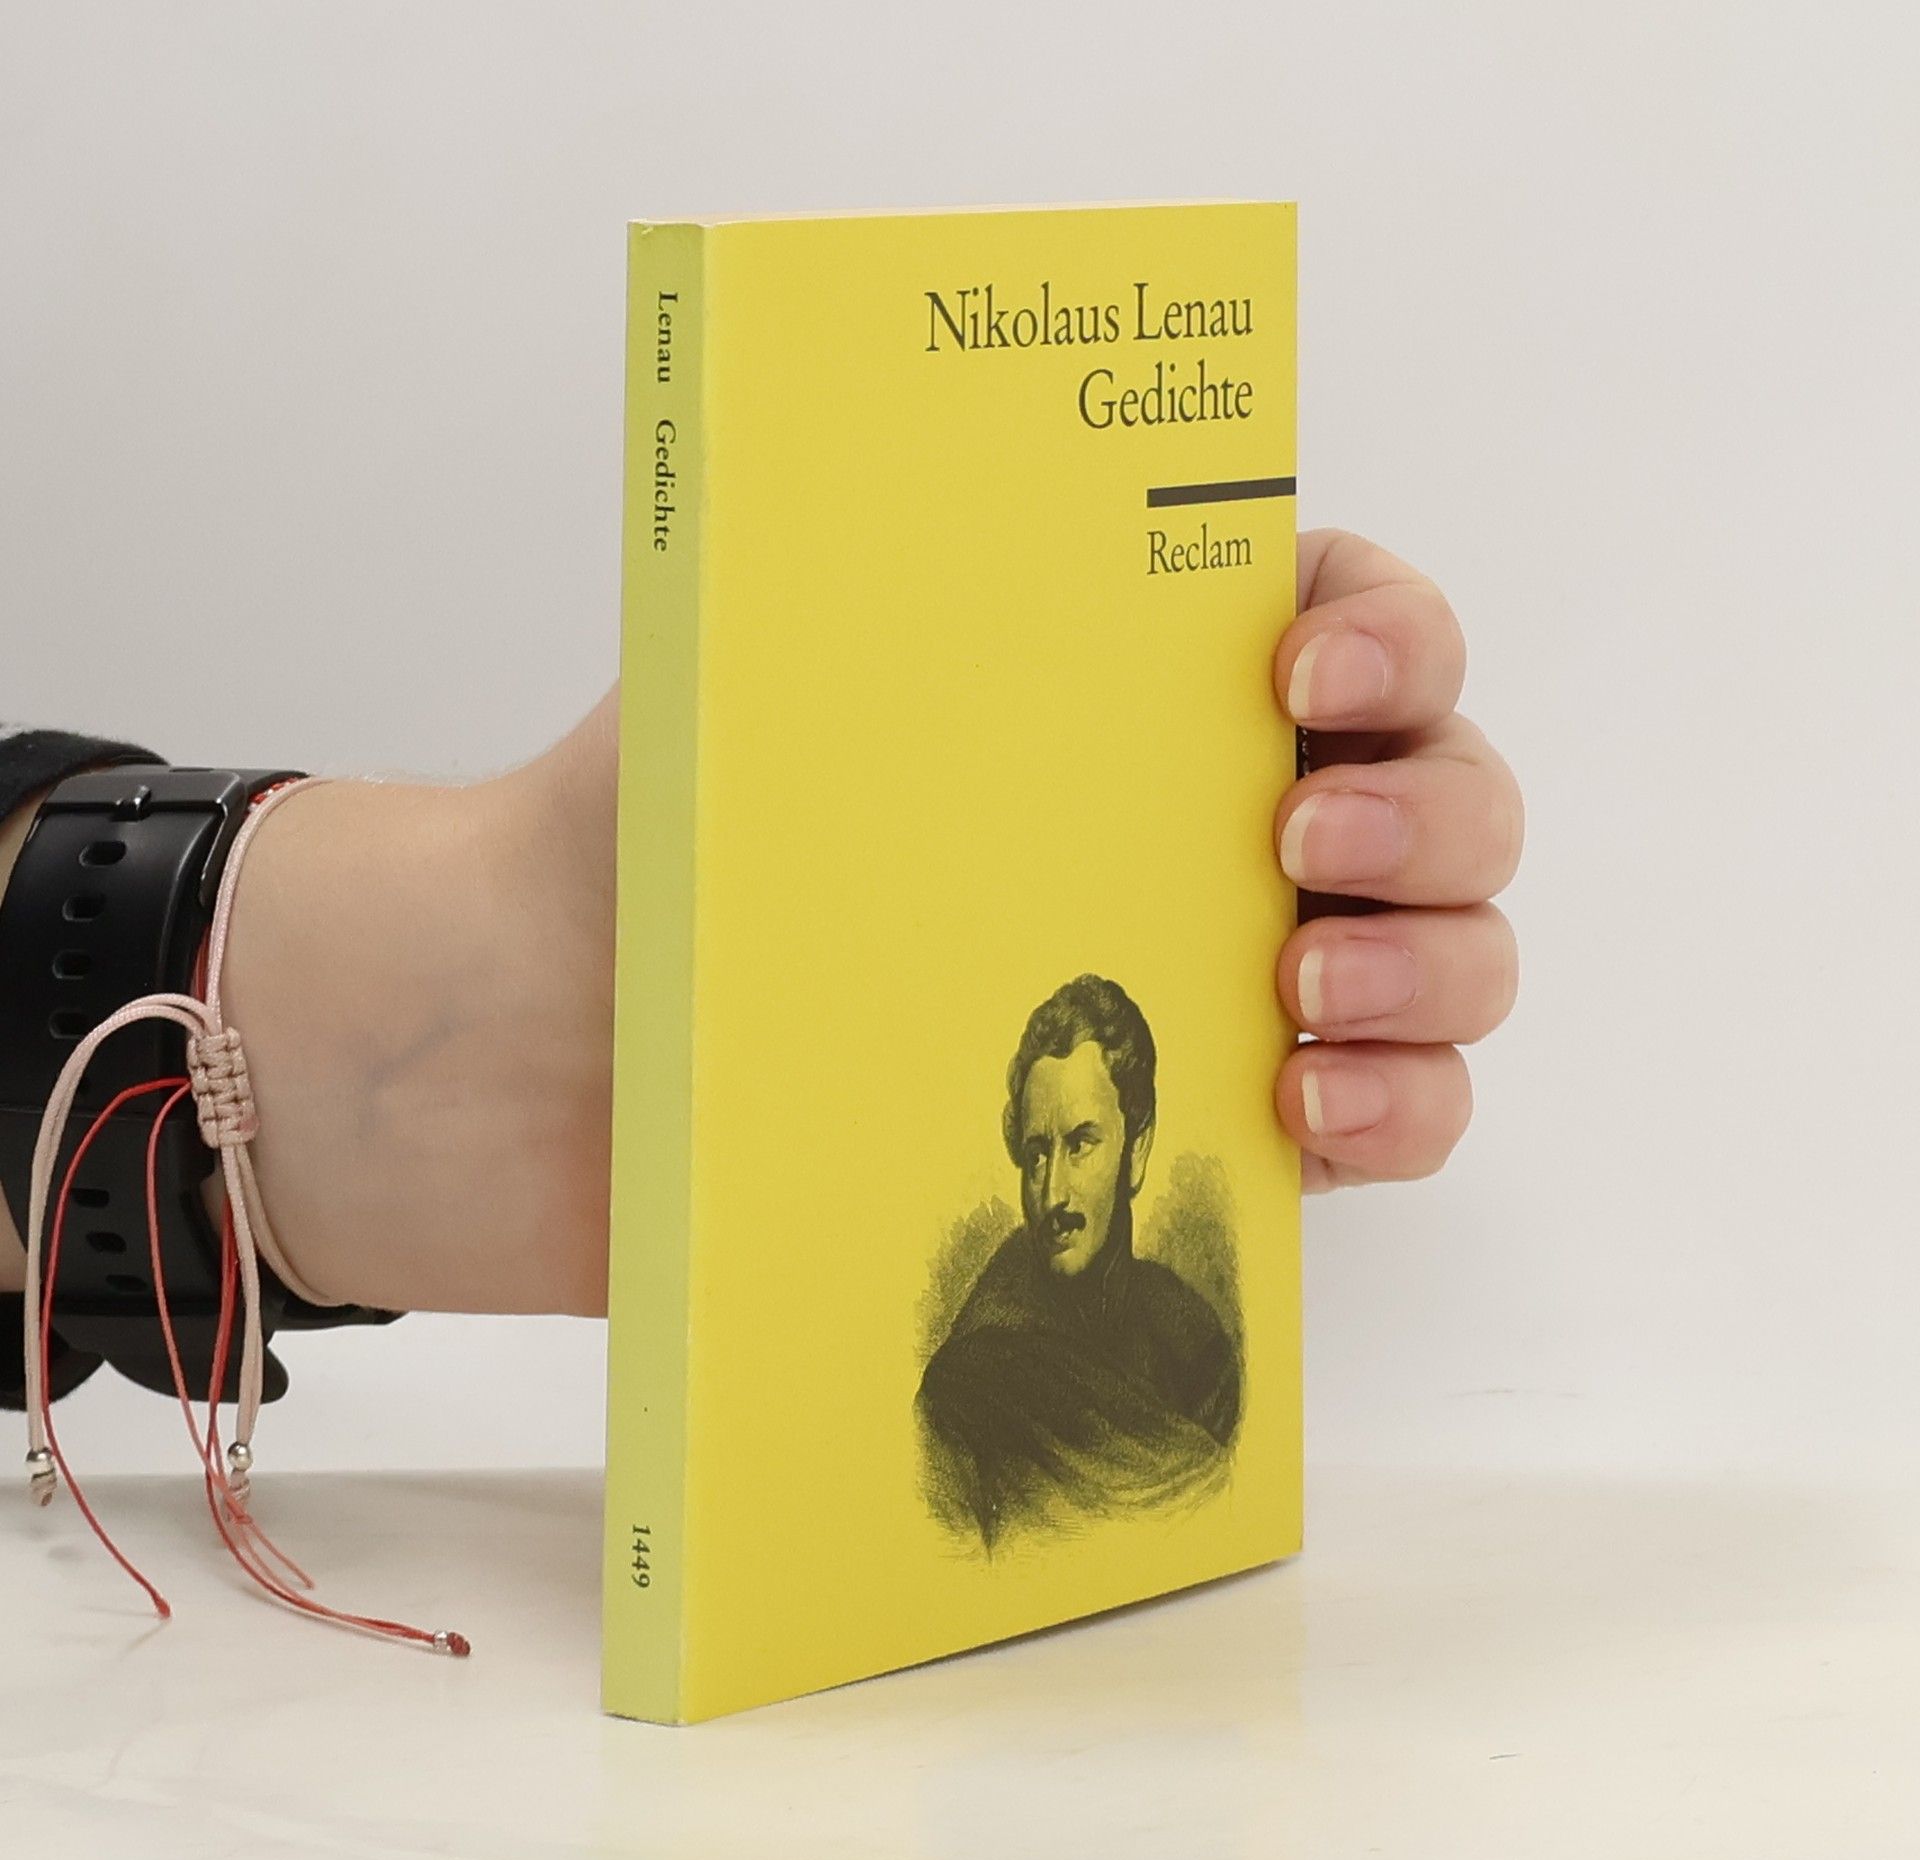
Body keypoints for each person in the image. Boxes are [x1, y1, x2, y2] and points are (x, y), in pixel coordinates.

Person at [0, 529, 1524, 1401]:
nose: (1058, 1181)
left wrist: (454, 971)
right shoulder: (976, 1361)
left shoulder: (1151, 1364)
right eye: (1041, 1141)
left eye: (1086, 1142)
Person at [917, 973, 1242, 1551]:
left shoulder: (1197, 1350)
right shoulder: (967, 1389)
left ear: (1136, 1149)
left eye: (1081, 1144)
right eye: (1037, 1154)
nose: (1053, 1194)